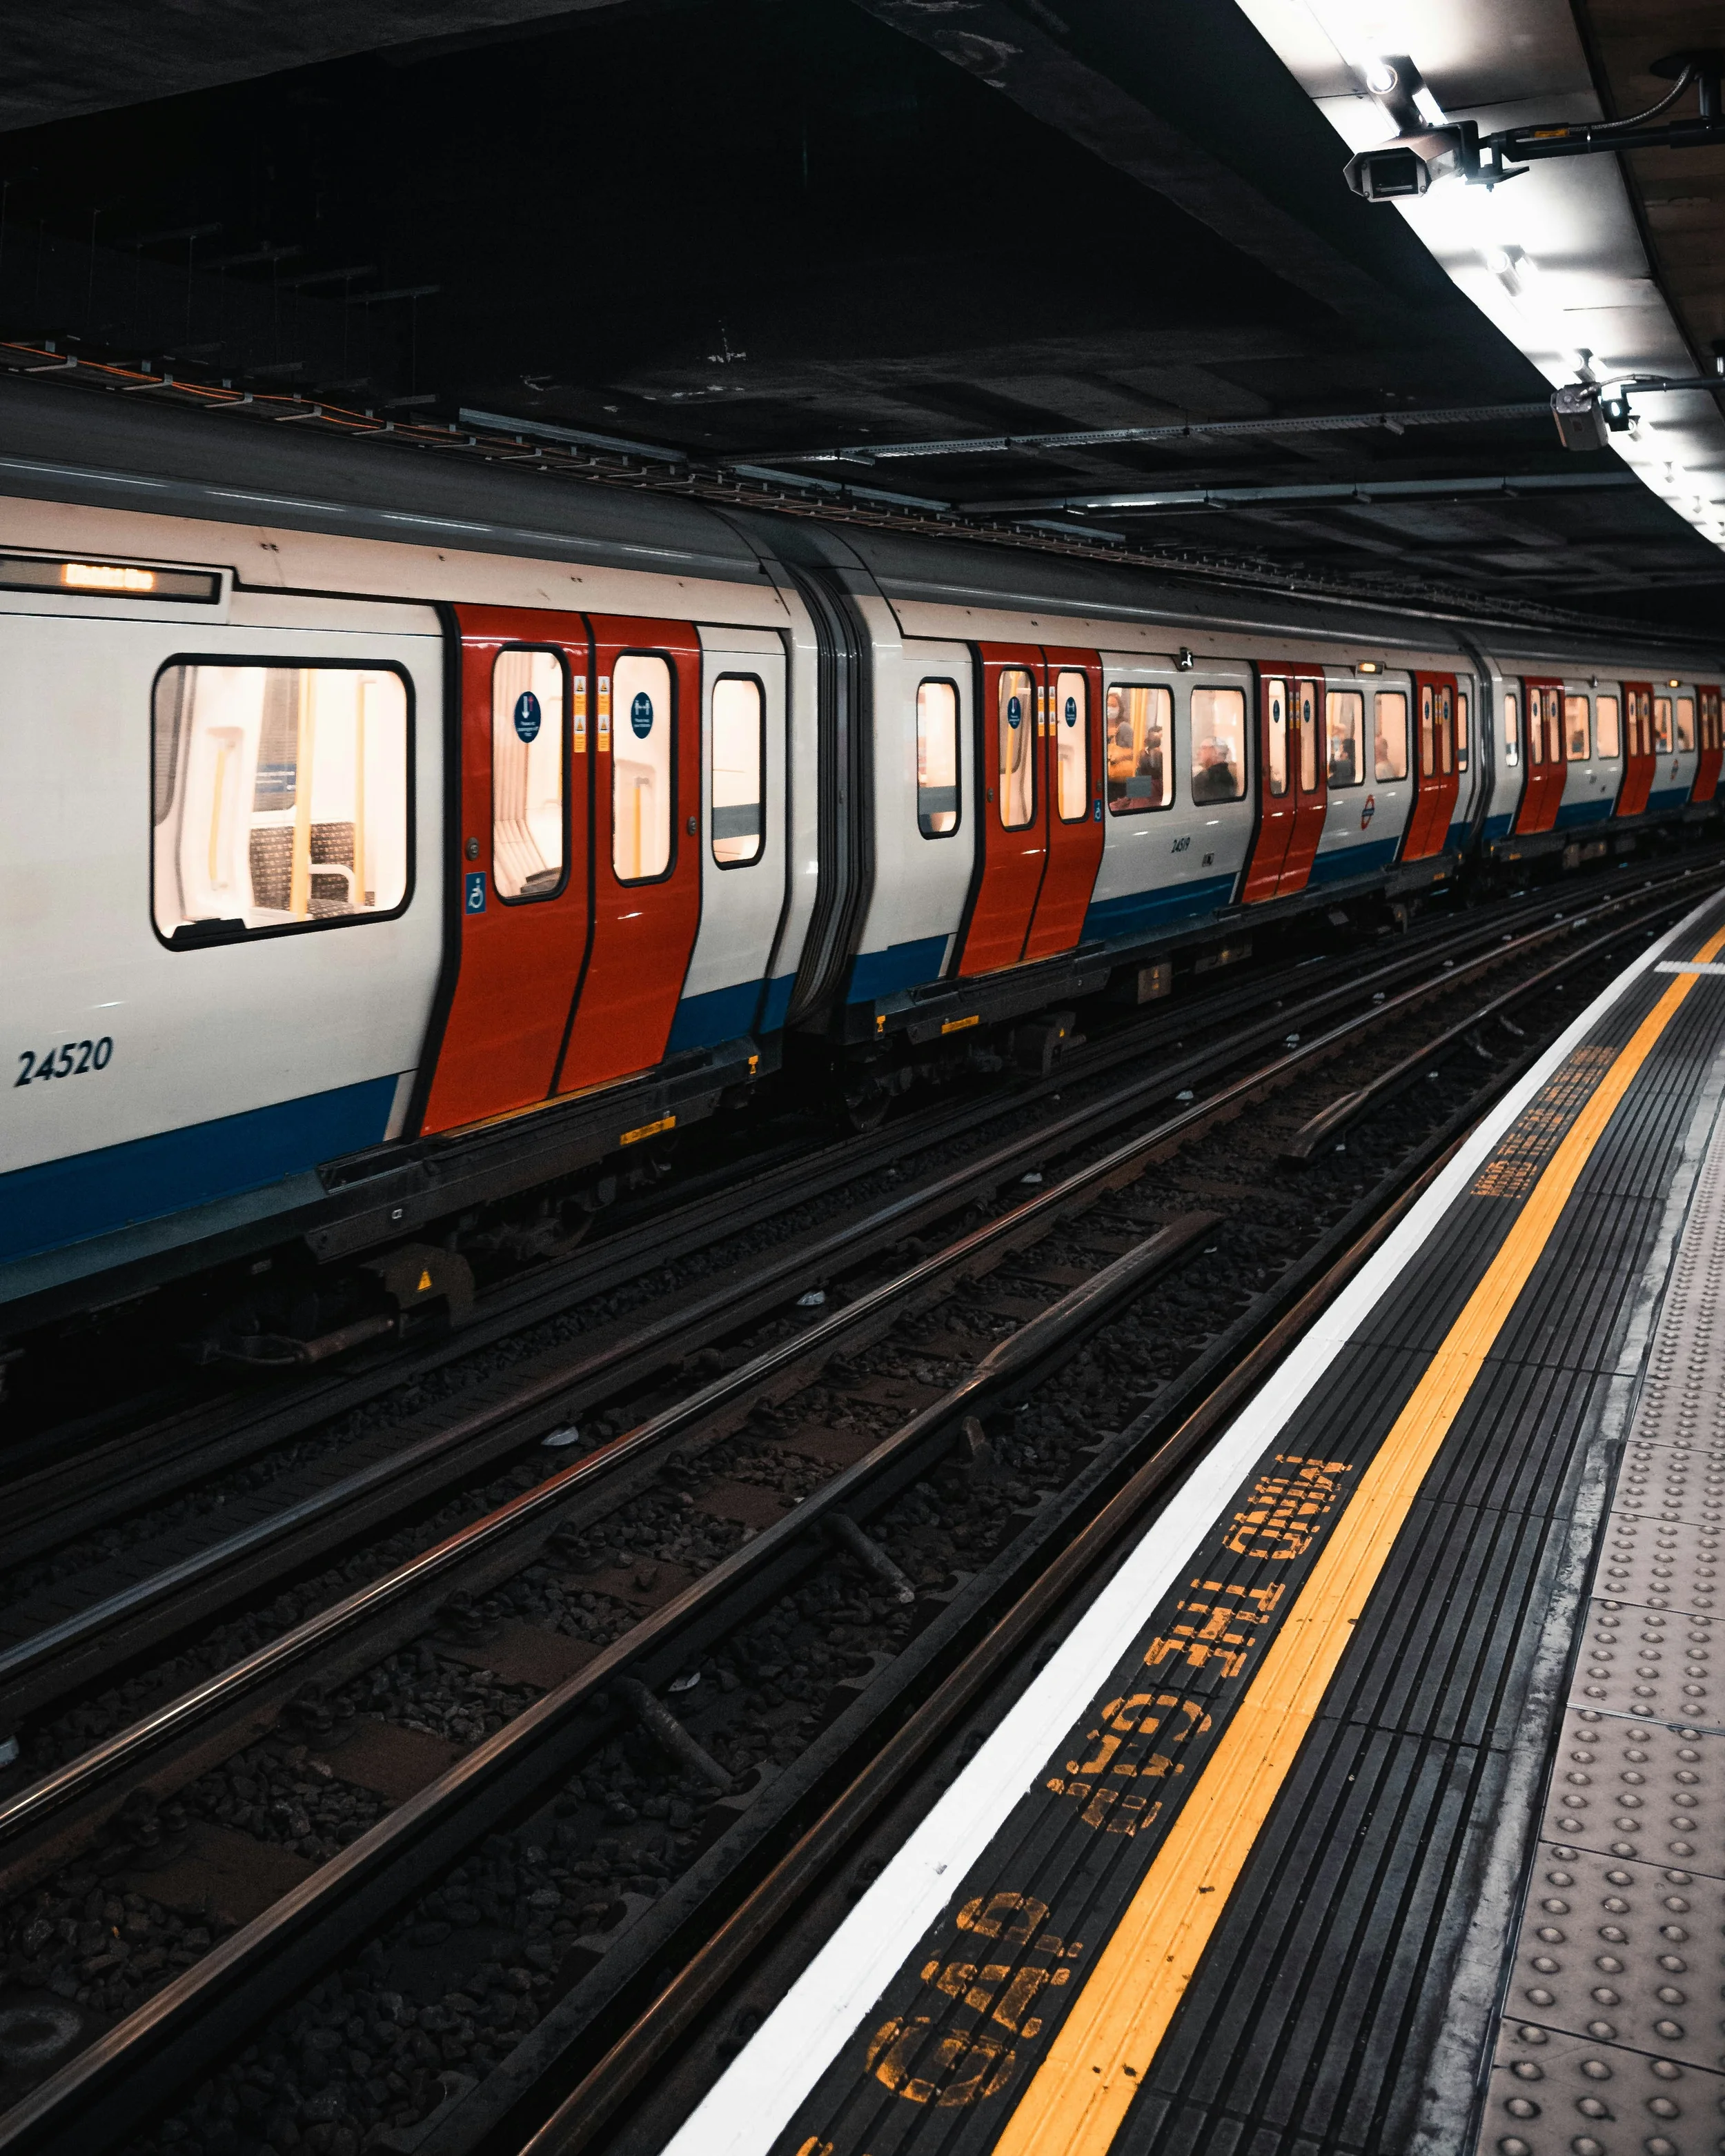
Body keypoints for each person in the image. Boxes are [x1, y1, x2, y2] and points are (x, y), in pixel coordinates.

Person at [1191, 736, 1238, 803]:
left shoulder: (1209, 779)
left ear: (1215, 752)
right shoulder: (1228, 776)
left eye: (1203, 748)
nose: (1198, 753)